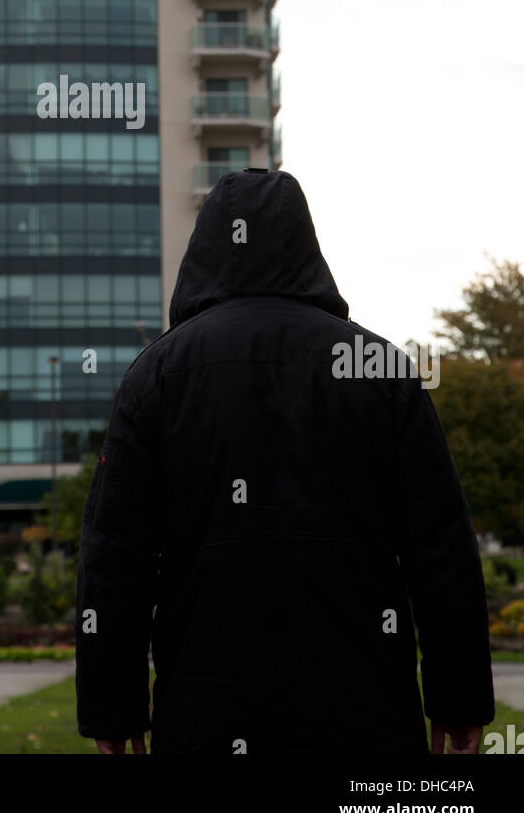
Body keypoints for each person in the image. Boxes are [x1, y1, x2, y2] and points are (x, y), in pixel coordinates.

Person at [74, 169, 494, 755]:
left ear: (204, 248)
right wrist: (459, 698)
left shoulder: (154, 378)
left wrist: (112, 712)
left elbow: (115, 561)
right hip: (363, 707)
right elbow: (441, 549)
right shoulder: (380, 370)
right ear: (306, 246)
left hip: (208, 709)